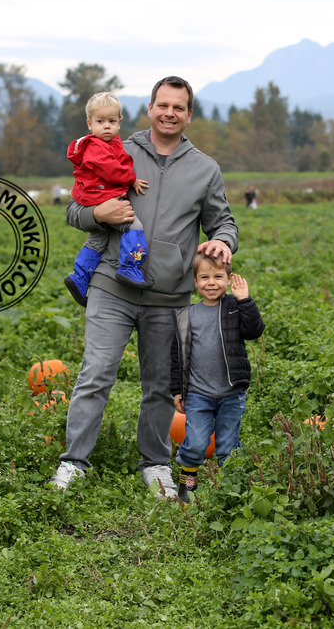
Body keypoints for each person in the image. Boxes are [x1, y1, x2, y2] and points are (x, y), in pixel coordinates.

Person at [50, 76, 238, 499]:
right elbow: (74, 210)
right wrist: (98, 213)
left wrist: (222, 242)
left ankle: (155, 464)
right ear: (150, 109)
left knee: (159, 385)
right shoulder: (117, 148)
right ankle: (73, 463)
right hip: (111, 284)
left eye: (179, 107)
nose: (169, 113)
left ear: (189, 115)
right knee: (96, 374)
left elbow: (223, 221)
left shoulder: (205, 169)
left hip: (169, 297)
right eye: (162, 105)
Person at [171, 254, 265, 503]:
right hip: (198, 394)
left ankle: (229, 487)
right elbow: (177, 357)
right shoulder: (186, 315)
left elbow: (254, 331)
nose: (211, 283)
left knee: (227, 444)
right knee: (195, 442)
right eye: (204, 277)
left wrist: (245, 300)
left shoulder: (234, 308)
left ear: (228, 279)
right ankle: (188, 484)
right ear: (195, 280)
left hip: (231, 393)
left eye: (218, 277)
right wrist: (177, 390)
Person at [63, 92, 151, 306]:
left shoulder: (110, 144)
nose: (107, 127)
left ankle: (80, 277)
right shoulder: (95, 146)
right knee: (133, 225)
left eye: (111, 121)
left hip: (94, 195)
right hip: (100, 196)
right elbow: (111, 169)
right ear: (89, 124)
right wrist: (131, 178)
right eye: (100, 122)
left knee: (97, 239)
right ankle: (130, 266)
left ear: (119, 122)